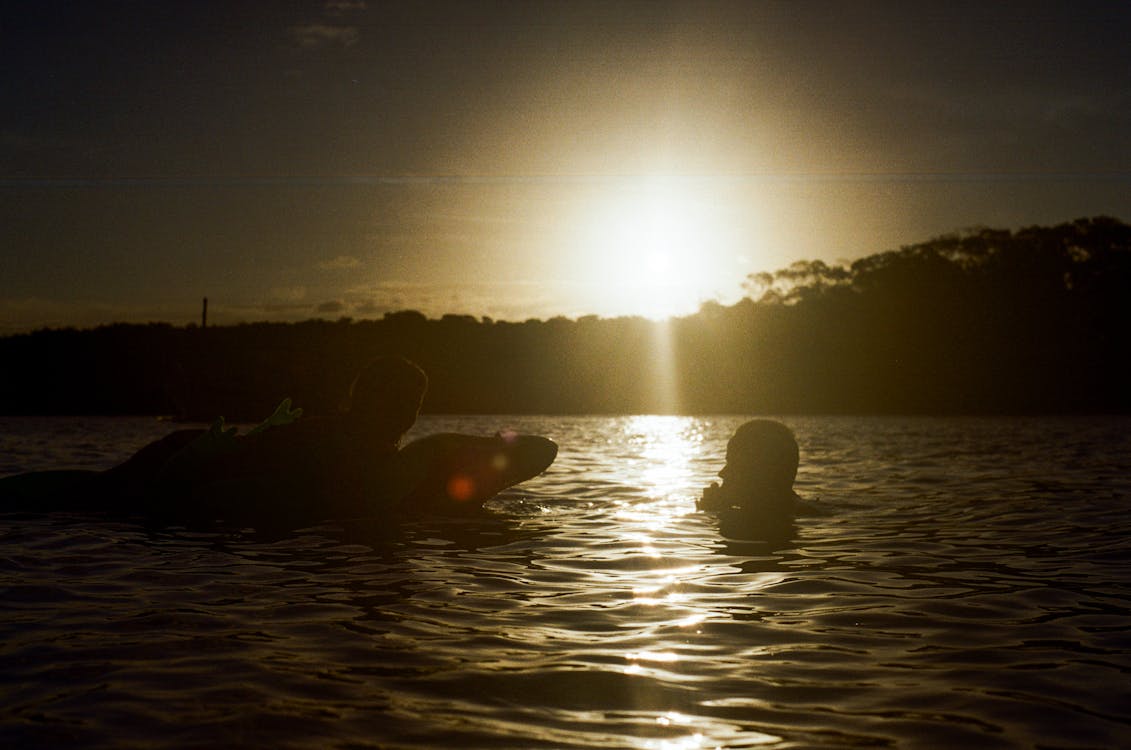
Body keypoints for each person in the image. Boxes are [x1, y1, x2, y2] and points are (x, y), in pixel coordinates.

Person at [697, 419, 805, 535]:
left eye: (733, 464)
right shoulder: (797, 511)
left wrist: (711, 514)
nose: (722, 473)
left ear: (761, 473)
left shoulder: (761, 528)